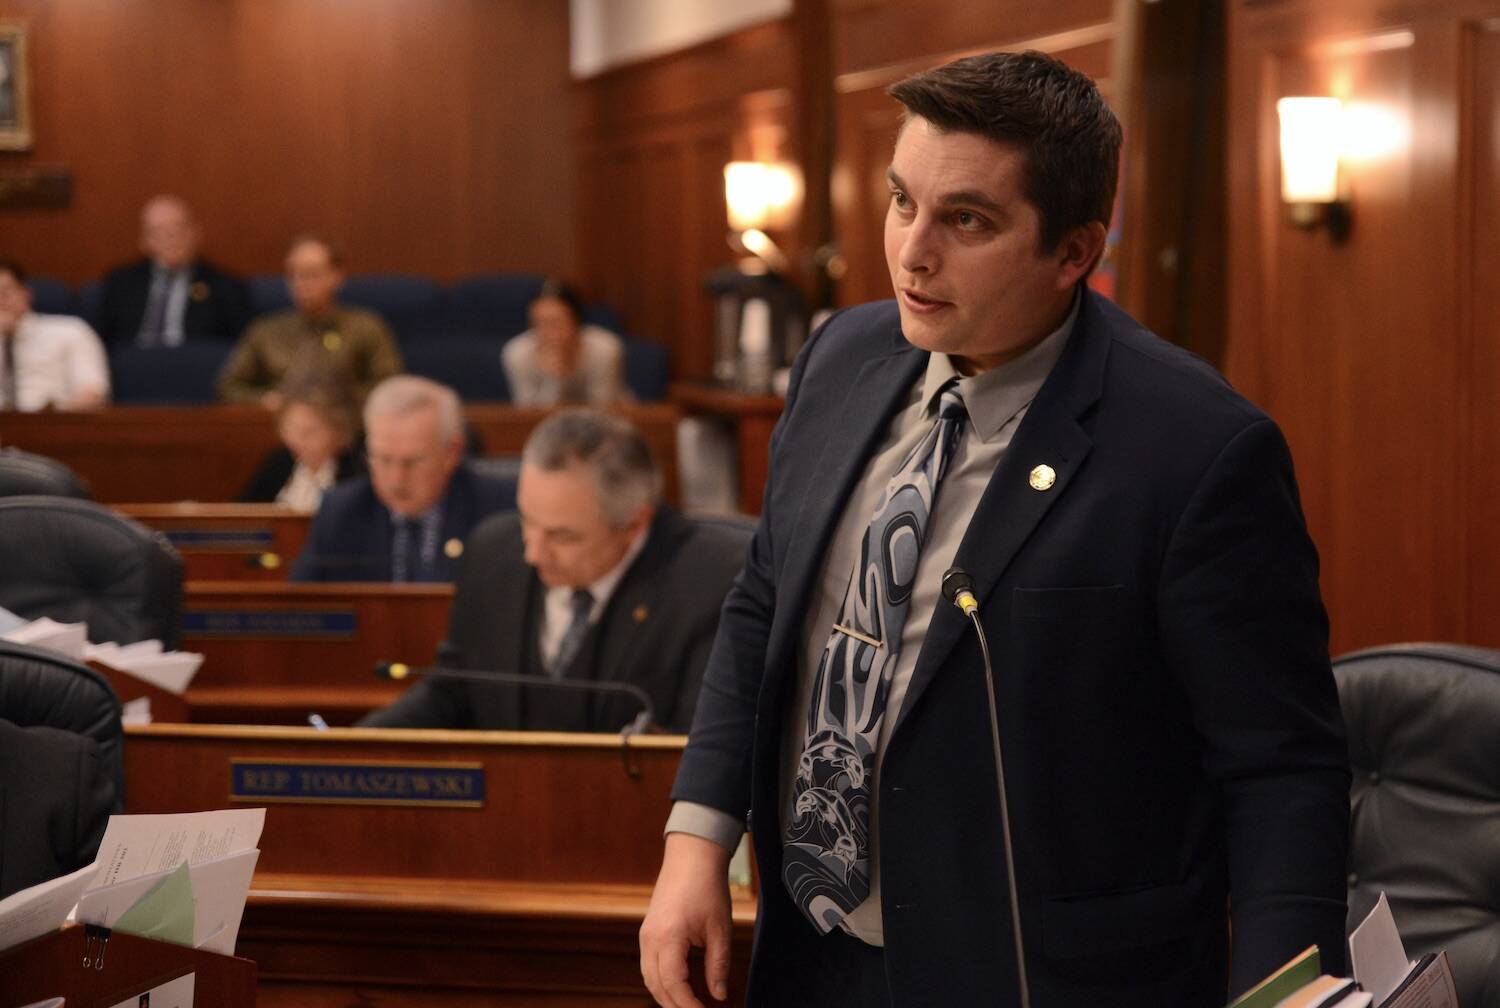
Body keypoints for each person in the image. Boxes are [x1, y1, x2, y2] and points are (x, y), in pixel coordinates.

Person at [640, 51, 1350, 1007]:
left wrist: (1288, 992)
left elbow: (1280, 765)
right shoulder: (840, 356)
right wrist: (697, 839)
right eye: (902, 202)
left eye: (965, 220)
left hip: (1039, 973)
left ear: (1073, 252)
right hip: (811, 952)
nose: (911, 252)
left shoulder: (1197, 449)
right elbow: (766, 596)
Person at [362, 409, 749, 733]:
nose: (532, 552)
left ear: (635, 524)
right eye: (527, 520)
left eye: (562, 536)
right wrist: (356, 746)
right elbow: (453, 690)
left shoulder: (711, 583)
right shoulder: (493, 551)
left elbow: (703, 750)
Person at [290, 375, 513, 582]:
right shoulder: (341, 512)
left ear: (452, 452)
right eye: (384, 460)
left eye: (412, 462)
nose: (397, 480)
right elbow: (302, 609)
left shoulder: (498, 511)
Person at [218, 235, 402, 407]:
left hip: (348, 426)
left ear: (337, 276)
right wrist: (265, 399)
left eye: (311, 273)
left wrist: (341, 400)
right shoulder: (265, 330)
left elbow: (390, 385)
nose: (300, 283)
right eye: (293, 274)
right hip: (278, 424)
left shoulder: (365, 326)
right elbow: (229, 386)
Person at [96, 195, 251, 348]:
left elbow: (242, 346)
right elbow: (100, 340)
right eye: (158, 231)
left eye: (178, 228)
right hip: (135, 366)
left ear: (195, 233)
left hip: (195, 366)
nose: (170, 237)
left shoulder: (225, 285)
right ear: (144, 241)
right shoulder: (121, 282)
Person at [237, 375, 364, 510]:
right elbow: (242, 516)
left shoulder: (357, 471)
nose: (297, 440)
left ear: (340, 431)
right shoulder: (280, 461)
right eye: (290, 428)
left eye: (310, 431)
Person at [0, 261, 110, 412]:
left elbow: (93, 395)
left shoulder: (70, 331)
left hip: (54, 424)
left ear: (25, 293)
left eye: (5, 292)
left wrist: (54, 414)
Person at [501, 279, 628, 406]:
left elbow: (603, 409)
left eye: (556, 322)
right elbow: (527, 414)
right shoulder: (517, 353)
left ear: (576, 321)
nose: (548, 331)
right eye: (539, 323)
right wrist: (554, 380)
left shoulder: (605, 349)